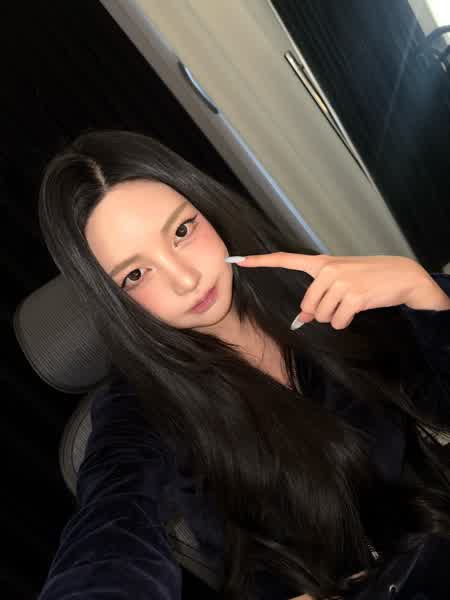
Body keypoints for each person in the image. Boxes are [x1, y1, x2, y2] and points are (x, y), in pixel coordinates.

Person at [37, 129, 450, 600]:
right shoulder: (139, 409)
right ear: (116, 302)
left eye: (181, 231)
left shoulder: (305, 286)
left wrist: (425, 293)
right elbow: (112, 524)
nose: (186, 279)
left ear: (206, 207)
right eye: (135, 274)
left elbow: (437, 400)